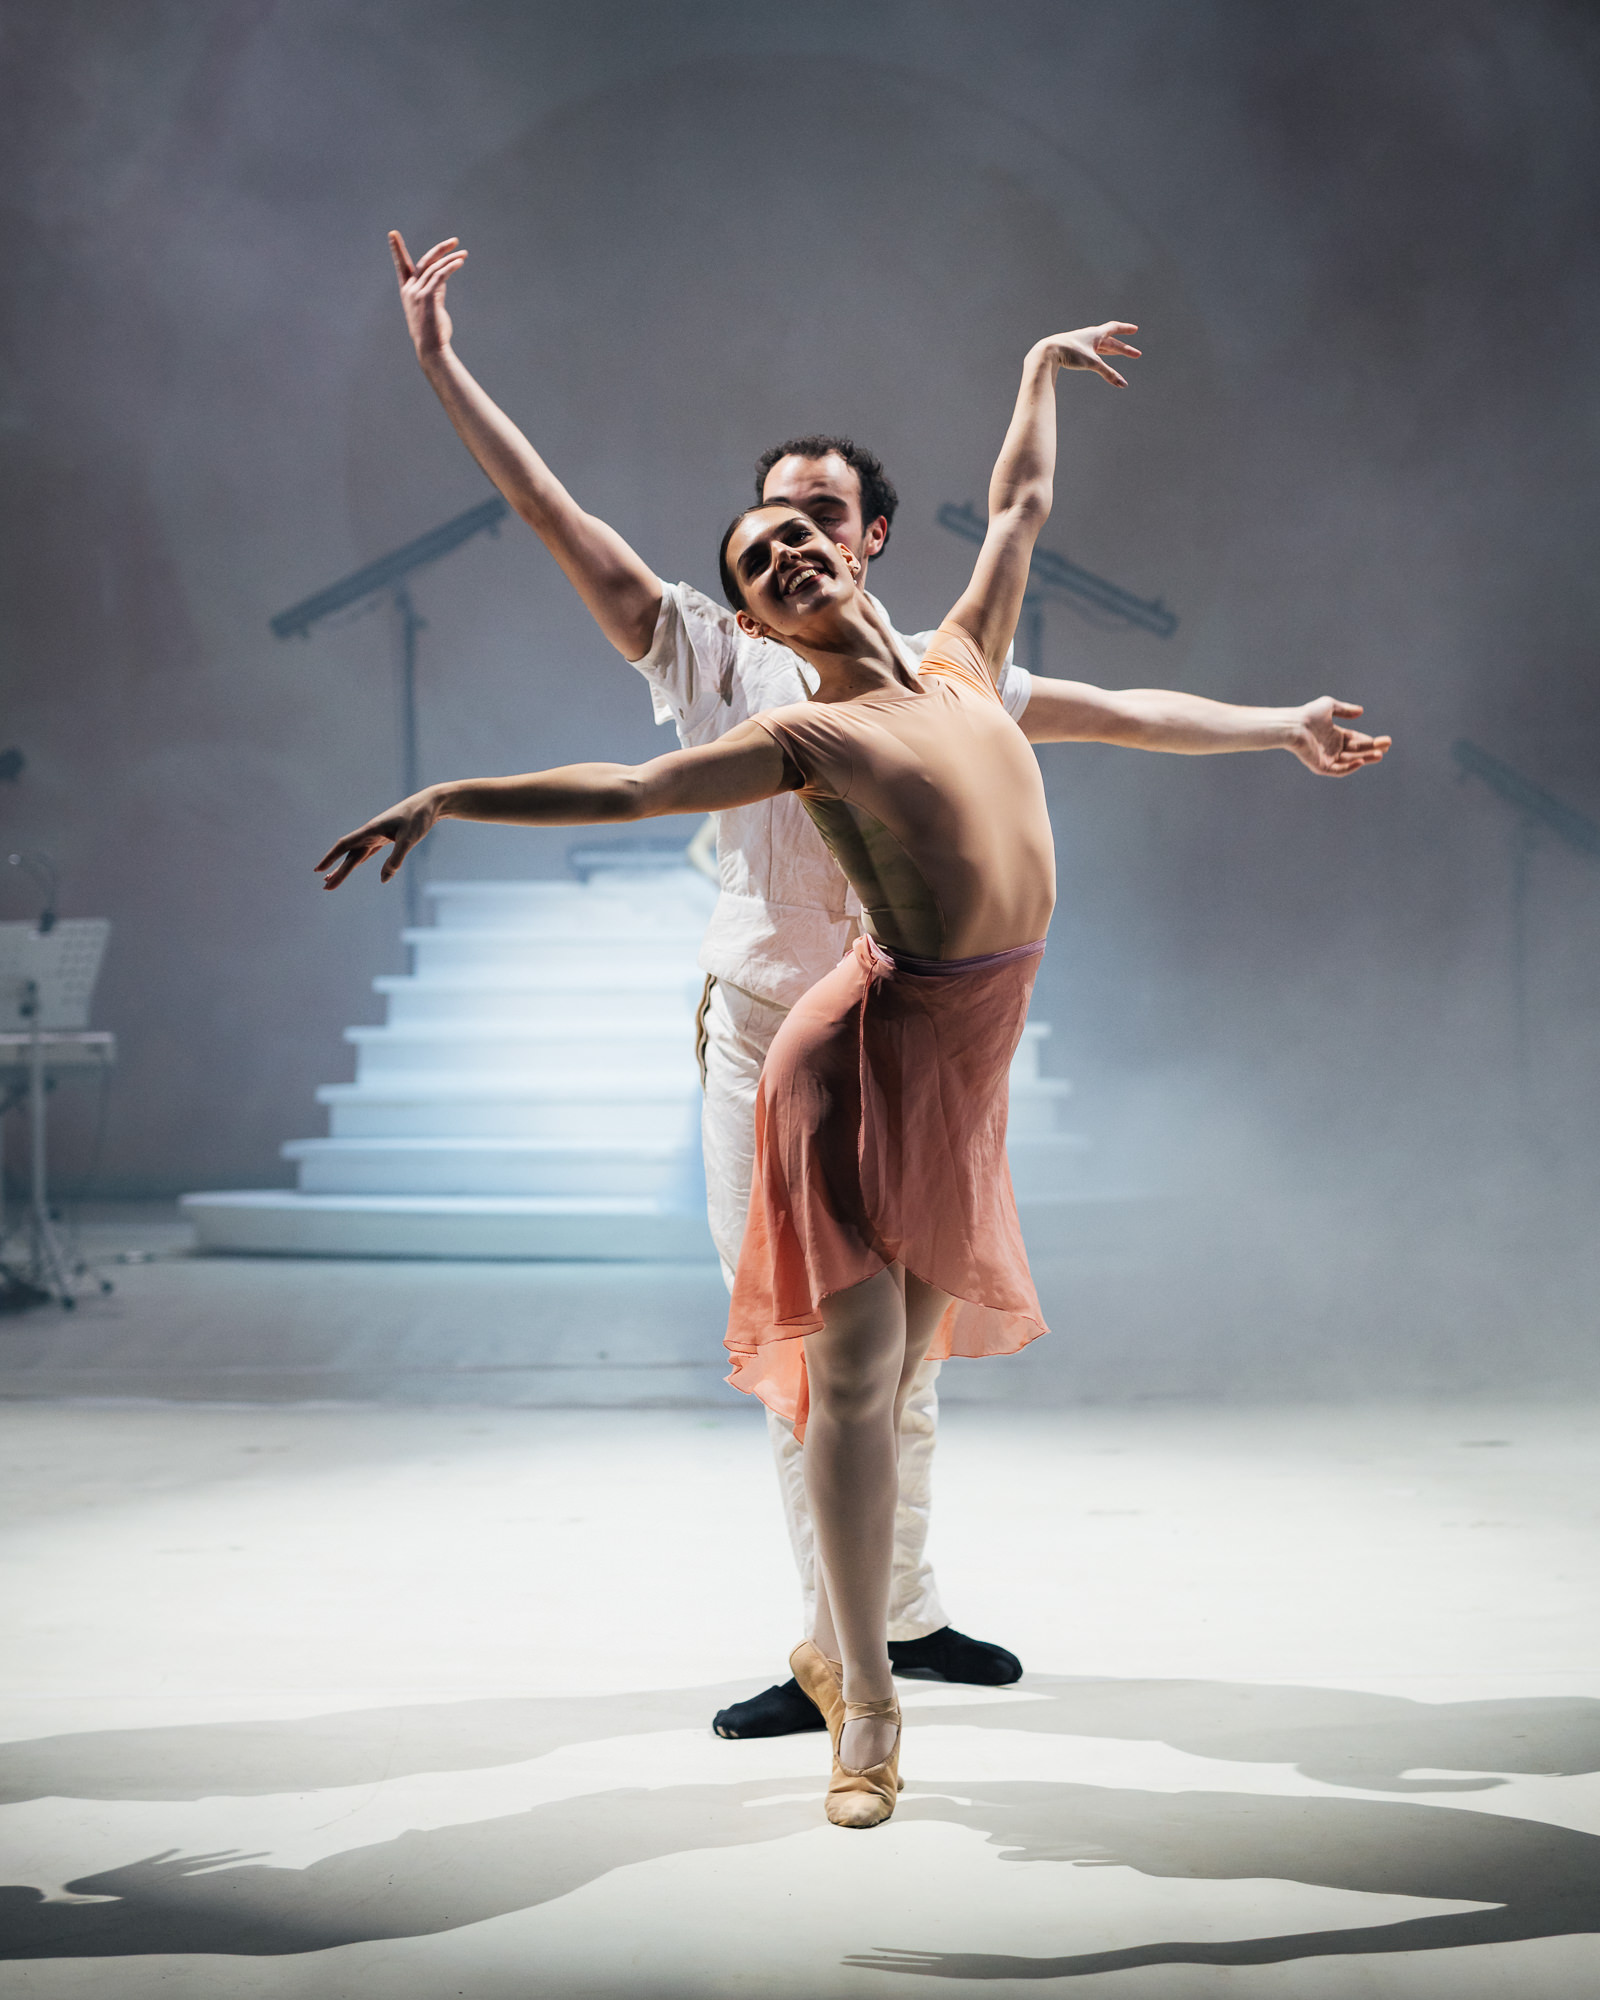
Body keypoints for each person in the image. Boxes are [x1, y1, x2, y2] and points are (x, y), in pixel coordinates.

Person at [316, 321, 1389, 1829]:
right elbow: (619, 737)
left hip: (945, 1046)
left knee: (901, 1374)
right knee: (830, 1373)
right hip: (801, 1036)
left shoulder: (964, 667)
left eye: (813, 519)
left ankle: (898, 1614)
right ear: (750, 590)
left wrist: (1039, 377)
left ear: (866, 536)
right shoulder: (763, 694)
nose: (790, 540)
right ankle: (846, 1671)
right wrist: (450, 790)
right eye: (762, 539)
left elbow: (1044, 553)